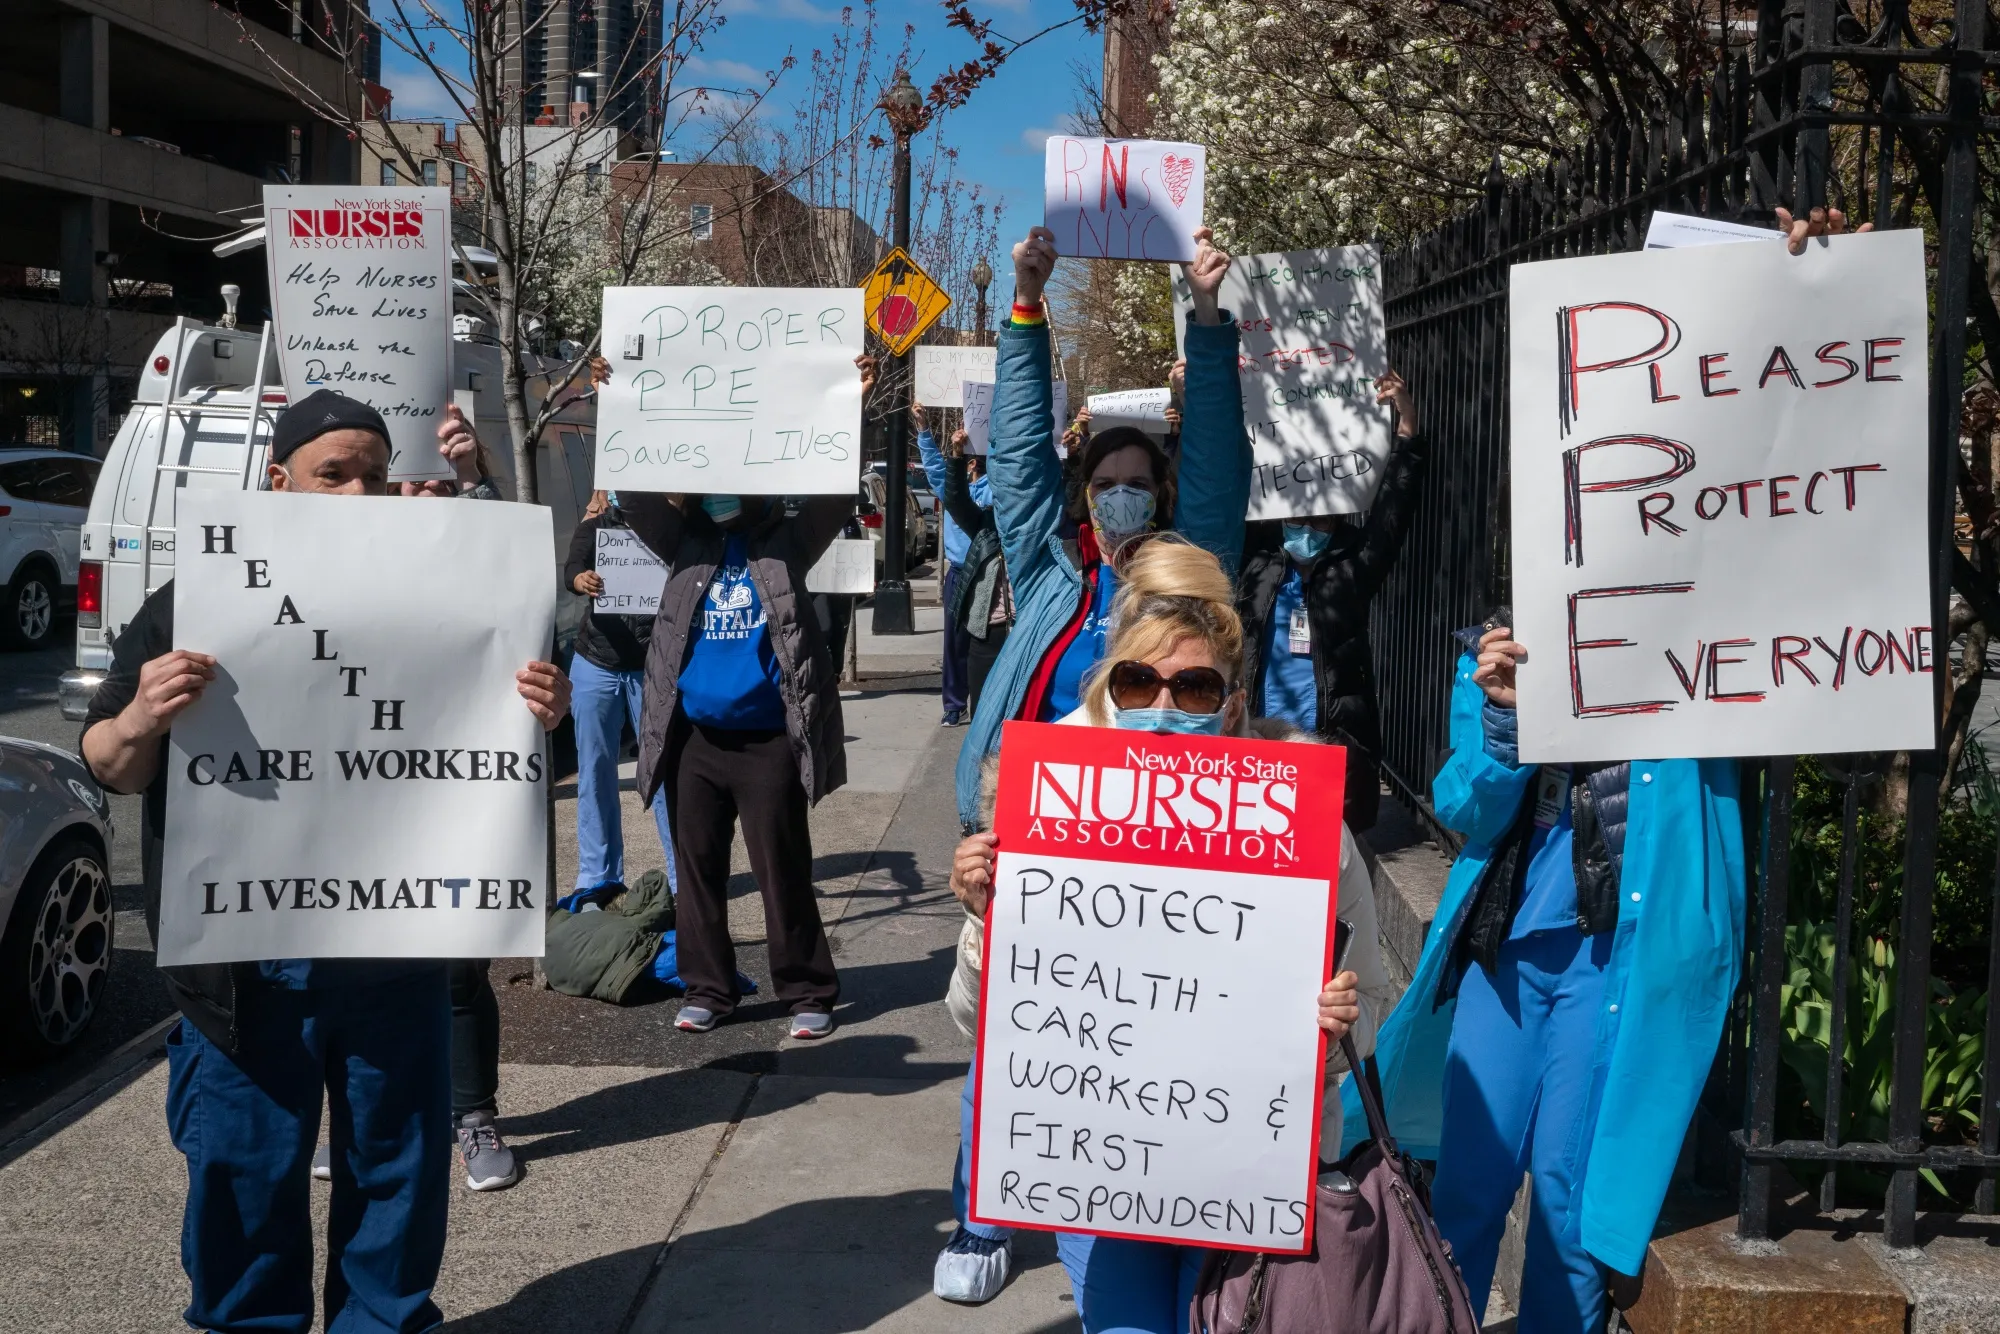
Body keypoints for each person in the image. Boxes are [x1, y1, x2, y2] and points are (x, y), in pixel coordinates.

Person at [79, 387, 571, 1333]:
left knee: (397, 1179)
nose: (357, 493)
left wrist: (536, 709)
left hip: (396, 953)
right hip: (245, 968)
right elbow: (110, 763)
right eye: (332, 474)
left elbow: (491, 750)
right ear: (279, 481)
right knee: (244, 1183)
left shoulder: (447, 603)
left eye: (375, 476)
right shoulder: (197, 603)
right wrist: (143, 712)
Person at [940, 538, 1391, 1329]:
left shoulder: (1302, 822)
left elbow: (1375, 1000)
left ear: (1234, 700)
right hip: (1100, 1173)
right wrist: (986, 920)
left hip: (1251, 1178)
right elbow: (982, 1024)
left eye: (1195, 687)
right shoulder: (1048, 813)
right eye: (1140, 680)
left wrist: (1337, 1026)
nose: (1165, 704)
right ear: (1111, 688)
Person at [606, 355, 875, 1042]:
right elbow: (634, 496)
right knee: (696, 871)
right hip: (694, 738)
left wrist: (851, 409)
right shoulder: (685, 542)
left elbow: (837, 493)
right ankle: (709, 988)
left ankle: (807, 989)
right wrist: (622, 403)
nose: (725, 491)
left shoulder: (786, 544)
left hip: (767, 741)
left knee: (782, 867)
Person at [950, 224, 1252, 834]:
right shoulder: (1048, 569)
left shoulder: (1190, 574)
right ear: (1084, 499)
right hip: (1037, 823)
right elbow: (1017, 456)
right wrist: (1027, 306)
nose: (1120, 496)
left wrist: (1207, 311)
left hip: (1162, 824)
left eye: (1137, 485)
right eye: (1105, 485)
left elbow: (1216, 461)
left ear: (1162, 495)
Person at [312, 404, 529, 1194]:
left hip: (449, 796)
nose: (422, 498)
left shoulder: (472, 549)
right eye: (406, 487)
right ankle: (355, 1119)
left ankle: (472, 1116)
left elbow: (515, 575)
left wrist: (473, 478)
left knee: (455, 965)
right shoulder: (333, 562)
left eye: (438, 486)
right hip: (347, 796)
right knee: (349, 969)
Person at [1236, 369, 1426, 831]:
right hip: (1252, 745)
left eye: (1323, 523)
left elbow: (1393, 512)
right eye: (1298, 520)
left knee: (1329, 882)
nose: (1309, 531)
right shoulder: (1254, 561)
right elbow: (1212, 488)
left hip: (1331, 753)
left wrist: (1408, 431)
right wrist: (1188, 416)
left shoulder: (1353, 565)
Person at [563, 491, 679, 904]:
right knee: (594, 770)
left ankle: (683, 878)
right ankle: (597, 876)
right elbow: (571, 570)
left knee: (663, 771)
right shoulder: (594, 529)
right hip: (596, 661)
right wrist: (581, 580)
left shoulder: (668, 532)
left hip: (653, 665)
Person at [916, 401, 991, 726]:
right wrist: (923, 429)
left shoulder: (997, 490)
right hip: (960, 573)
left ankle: (986, 702)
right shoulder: (954, 486)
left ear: (973, 463)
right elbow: (934, 467)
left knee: (988, 641)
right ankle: (954, 703)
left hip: (991, 574)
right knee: (955, 641)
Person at [935, 427, 1012, 715]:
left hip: (1025, 633)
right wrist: (955, 456)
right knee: (985, 720)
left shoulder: (1040, 529)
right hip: (988, 632)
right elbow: (955, 500)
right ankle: (957, 707)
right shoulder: (986, 525)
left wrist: (1075, 454)